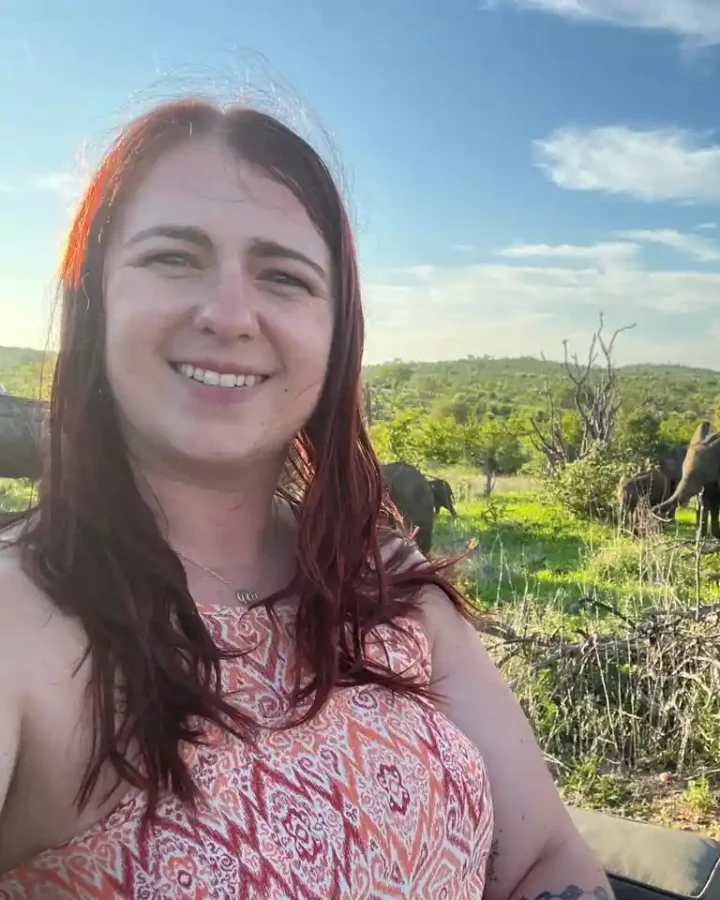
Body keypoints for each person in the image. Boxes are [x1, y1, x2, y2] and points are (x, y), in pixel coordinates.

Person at [0, 97, 613, 899]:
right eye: (172, 258)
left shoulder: (387, 585)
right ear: (95, 300)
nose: (227, 315)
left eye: (283, 276)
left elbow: (545, 862)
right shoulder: (21, 617)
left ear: (338, 335)